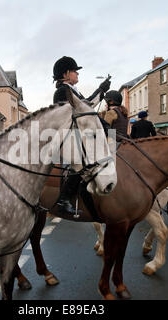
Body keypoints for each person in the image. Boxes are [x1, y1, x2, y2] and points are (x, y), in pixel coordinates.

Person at [52, 56, 111, 216]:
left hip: (77, 134)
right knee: (81, 163)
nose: (77, 74)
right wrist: (101, 90)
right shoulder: (62, 91)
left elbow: (86, 106)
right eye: (74, 71)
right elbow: (86, 105)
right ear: (65, 74)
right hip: (67, 136)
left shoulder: (72, 90)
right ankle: (63, 200)